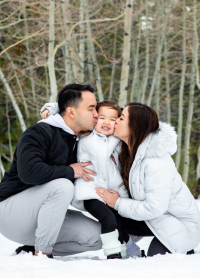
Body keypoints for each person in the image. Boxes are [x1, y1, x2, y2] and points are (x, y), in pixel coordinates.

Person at [0, 84, 103, 258]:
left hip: (46, 217)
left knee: (98, 237)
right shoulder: (39, 132)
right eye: (91, 108)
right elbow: (29, 172)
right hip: (10, 212)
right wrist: (69, 171)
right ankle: (43, 254)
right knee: (63, 186)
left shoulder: (80, 140)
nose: (96, 114)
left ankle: (32, 248)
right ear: (71, 112)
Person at [96, 103, 200, 256]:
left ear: (134, 126)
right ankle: (129, 247)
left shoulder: (156, 161)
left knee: (157, 259)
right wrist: (51, 110)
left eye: (121, 118)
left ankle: (182, 248)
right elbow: (88, 112)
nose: (115, 121)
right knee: (105, 208)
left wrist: (118, 202)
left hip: (181, 226)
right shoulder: (127, 149)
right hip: (155, 218)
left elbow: (154, 208)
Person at [41, 101, 143, 259]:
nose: (106, 122)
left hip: (111, 192)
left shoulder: (117, 140)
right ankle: (113, 254)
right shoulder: (86, 133)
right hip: (90, 191)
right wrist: (50, 109)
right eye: (102, 117)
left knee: (118, 223)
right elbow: (70, 111)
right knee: (108, 219)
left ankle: (128, 251)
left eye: (112, 119)